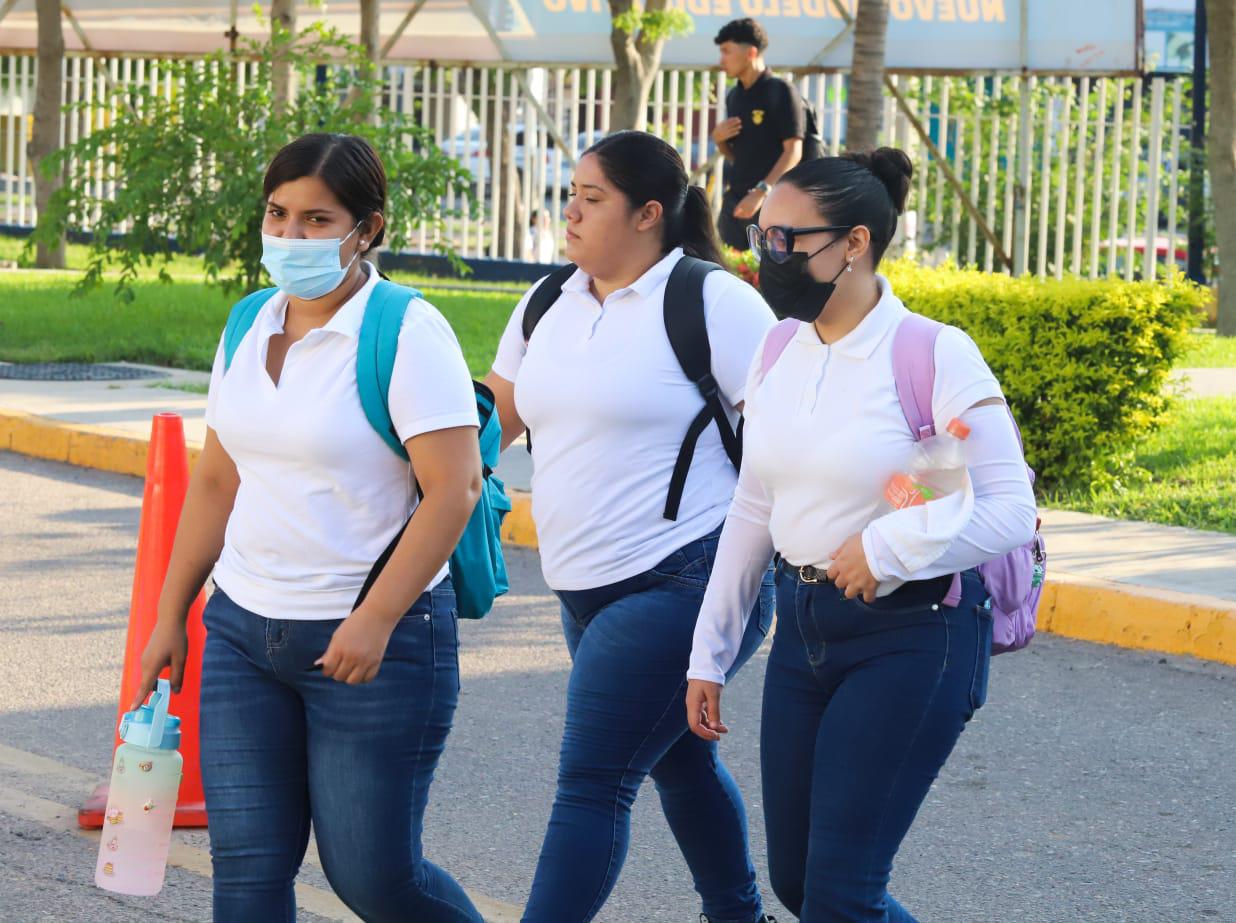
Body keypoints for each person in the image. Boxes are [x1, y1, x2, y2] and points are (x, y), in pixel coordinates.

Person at [134, 133, 486, 923]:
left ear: (368, 229)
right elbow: (218, 480)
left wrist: (376, 618)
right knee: (249, 873)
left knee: (374, 878)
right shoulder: (248, 322)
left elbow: (454, 489)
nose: (290, 237)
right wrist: (170, 613)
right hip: (241, 633)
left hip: (370, 644)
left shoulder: (405, 328)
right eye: (278, 214)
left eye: (317, 219)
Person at [685, 149, 1037, 921]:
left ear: (855, 243)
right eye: (759, 237)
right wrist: (708, 652)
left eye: (786, 240)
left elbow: (1009, 508)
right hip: (803, 626)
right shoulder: (778, 348)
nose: (766, 257)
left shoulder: (931, 351)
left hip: (915, 632)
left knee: (841, 894)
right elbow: (753, 504)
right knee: (802, 883)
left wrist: (883, 550)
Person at [484, 130, 778, 923]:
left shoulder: (711, 301)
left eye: (592, 198)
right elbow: (490, 420)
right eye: (570, 193)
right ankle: (738, 914)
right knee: (678, 765)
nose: (569, 211)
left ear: (650, 214)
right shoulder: (549, 299)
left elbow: (789, 436)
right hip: (583, 588)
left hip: (689, 575)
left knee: (592, 781)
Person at [713, 17, 806, 252]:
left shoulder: (780, 91)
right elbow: (736, 156)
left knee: (769, 278)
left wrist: (761, 192)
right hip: (737, 202)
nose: (721, 59)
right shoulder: (734, 96)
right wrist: (719, 140)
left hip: (773, 205)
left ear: (751, 53)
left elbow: (793, 151)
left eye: (727, 51)